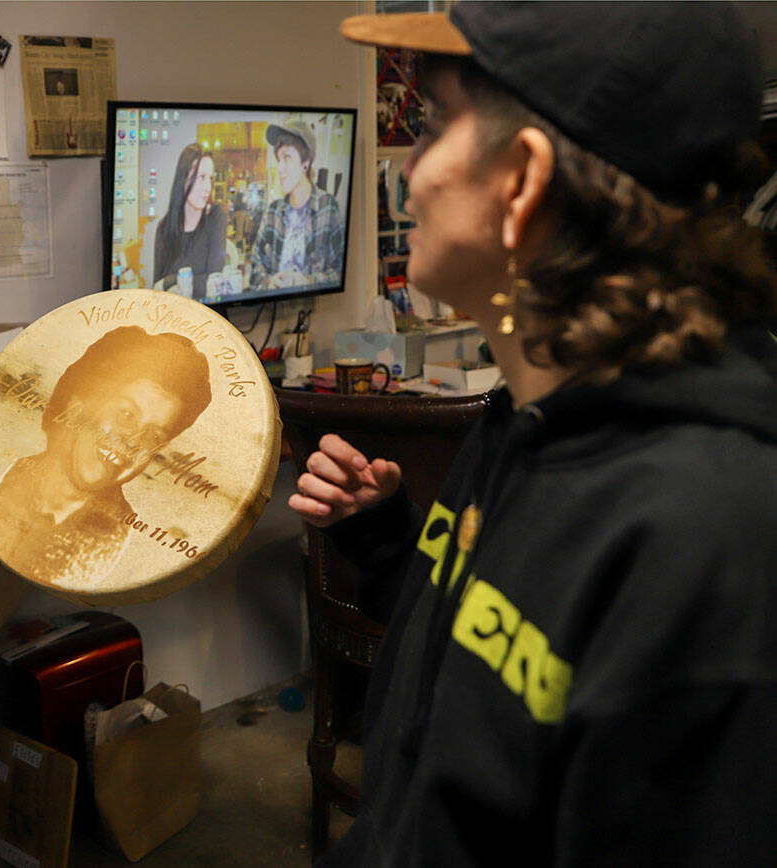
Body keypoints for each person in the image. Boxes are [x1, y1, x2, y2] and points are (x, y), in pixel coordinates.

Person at [292, 3, 777, 864]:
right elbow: (492, 644)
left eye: (435, 125)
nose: (408, 171)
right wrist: (383, 539)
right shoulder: (532, 412)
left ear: (519, 179)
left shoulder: (717, 537)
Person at [0, 326, 211, 589]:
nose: (133, 440)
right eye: (126, 415)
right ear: (78, 406)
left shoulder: (131, 541)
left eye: (154, 436)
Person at [249, 116, 346, 290]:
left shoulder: (328, 207)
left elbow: (341, 271)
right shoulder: (273, 212)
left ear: (305, 162)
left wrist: (308, 282)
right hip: (272, 307)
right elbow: (255, 265)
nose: (280, 169)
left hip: (319, 308)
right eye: (279, 160)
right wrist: (268, 282)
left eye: (287, 158)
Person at [152, 142, 228, 298]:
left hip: (209, 315)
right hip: (173, 317)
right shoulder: (164, 228)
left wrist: (170, 281)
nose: (208, 186)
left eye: (210, 178)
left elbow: (214, 282)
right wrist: (166, 286)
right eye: (201, 177)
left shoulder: (216, 216)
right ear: (183, 178)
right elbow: (157, 291)